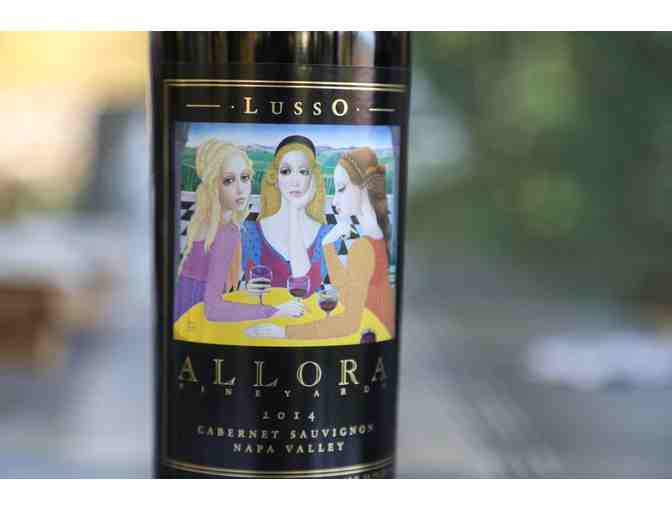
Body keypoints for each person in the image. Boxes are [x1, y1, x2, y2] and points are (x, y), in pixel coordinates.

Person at [246, 147, 395, 340]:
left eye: (341, 189)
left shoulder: (363, 246)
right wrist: (327, 245)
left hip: (370, 332)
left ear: (363, 187)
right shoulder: (374, 234)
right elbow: (346, 293)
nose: (335, 201)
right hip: (374, 329)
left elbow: (348, 323)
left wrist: (283, 332)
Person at [175, 139, 303, 322]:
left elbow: (207, 283)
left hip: (185, 312)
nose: (240, 189)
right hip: (194, 320)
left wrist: (245, 289)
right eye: (228, 180)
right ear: (213, 185)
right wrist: (275, 310)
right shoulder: (226, 231)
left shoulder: (208, 220)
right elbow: (213, 310)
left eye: (244, 177)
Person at [242, 135, 332, 295]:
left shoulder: (327, 235)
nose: (295, 181)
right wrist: (248, 291)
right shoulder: (250, 231)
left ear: (313, 179)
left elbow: (304, 289)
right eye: (286, 171)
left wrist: (294, 211)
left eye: (303, 172)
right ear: (275, 178)